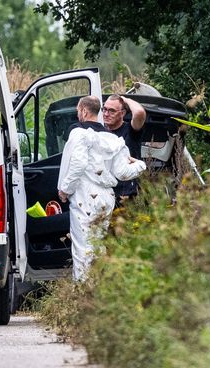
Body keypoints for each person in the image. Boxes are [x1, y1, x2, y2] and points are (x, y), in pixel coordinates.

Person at [57, 96, 146, 281]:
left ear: (83, 111)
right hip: (107, 197)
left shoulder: (79, 134)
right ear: (99, 111)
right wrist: (141, 165)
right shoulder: (113, 139)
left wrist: (65, 190)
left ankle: (84, 294)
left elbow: (78, 164)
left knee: (83, 248)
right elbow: (122, 173)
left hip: (86, 196)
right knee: (98, 246)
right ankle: (100, 290)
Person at [102, 93, 147, 205]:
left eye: (112, 111)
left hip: (128, 197)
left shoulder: (130, 130)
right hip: (106, 195)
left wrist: (126, 100)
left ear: (122, 113)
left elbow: (139, 113)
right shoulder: (100, 133)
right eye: (104, 109)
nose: (106, 114)